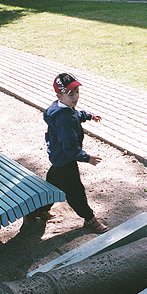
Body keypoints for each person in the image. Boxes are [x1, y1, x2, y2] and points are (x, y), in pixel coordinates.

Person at [41, 73, 108, 233]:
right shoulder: (64, 119)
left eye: (77, 91)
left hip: (57, 157)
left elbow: (76, 114)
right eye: (71, 93)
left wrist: (89, 116)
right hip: (65, 159)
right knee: (75, 191)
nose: (75, 96)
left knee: (52, 183)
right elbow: (69, 147)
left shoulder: (61, 108)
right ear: (59, 95)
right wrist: (87, 158)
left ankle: (40, 209)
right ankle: (89, 218)